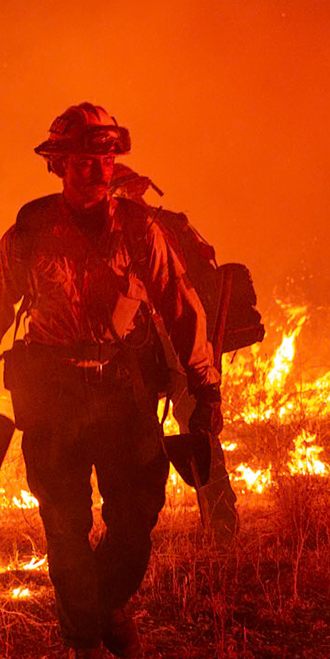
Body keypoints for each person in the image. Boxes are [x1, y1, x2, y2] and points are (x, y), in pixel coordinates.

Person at [0, 103, 222, 659]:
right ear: (59, 165)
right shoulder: (30, 232)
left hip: (123, 389)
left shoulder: (142, 230)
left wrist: (205, 386)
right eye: (84, 161)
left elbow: (181, 304)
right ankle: (83, 648)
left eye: (106, 159)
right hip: (54, 393)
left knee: (137, 515)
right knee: (64, 524)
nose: (97, 169)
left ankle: (106, 602)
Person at [111, 163, 242, 542]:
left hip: (170, 347)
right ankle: (212, 524)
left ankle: (218, 523)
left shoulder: (152, 228)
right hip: (155, 348)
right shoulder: (158, 225)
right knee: (173, 434)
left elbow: (181, 295)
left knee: (196, 433)